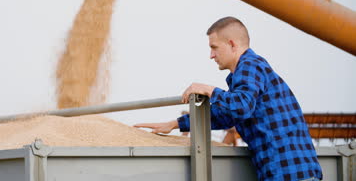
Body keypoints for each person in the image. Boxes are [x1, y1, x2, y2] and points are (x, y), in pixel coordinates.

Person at [134, 17, 322, 181]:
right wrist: (173, 124)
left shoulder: (250, 65)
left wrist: (209, 90)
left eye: (214, 47)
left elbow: (241, 106)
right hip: (289, 173)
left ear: (232, 44)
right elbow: (226, 116)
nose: (211, 55)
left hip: (291, 174)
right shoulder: (247, 72)